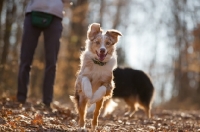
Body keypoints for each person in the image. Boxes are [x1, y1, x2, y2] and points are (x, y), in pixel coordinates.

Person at [17, 0, 64, 107]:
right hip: (33, 12)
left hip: (55, 15)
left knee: (51, 62)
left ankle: (47, 102)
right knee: (25, 59)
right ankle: (21, 98)